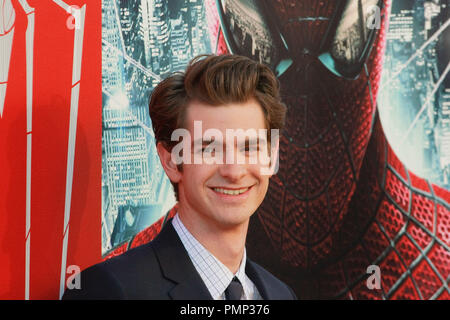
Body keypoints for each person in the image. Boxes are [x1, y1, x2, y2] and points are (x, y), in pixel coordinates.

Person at [62, 54, 297, 300]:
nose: (234, 171)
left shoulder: (280, 294)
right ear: (171, 160)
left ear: (271, 157)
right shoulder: (110, 290)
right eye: (210, 149)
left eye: (249, 148)